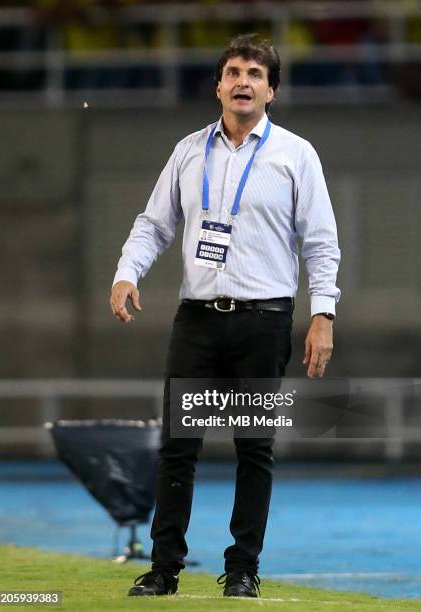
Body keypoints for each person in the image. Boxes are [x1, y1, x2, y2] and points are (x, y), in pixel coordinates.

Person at [110, 33, 340, 598]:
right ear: (218, 86)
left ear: (271, 91)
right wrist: (125, 272)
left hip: (264, 321)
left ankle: (242, 569)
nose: (243, 81)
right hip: (197, 321)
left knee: (254, 449)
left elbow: (321, 242)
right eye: (233, 71)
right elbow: (154, 224)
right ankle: (164, 570)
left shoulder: (295, 155)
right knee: (177, 447)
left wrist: (324, 314)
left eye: (255, 74)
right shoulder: (189, 150)